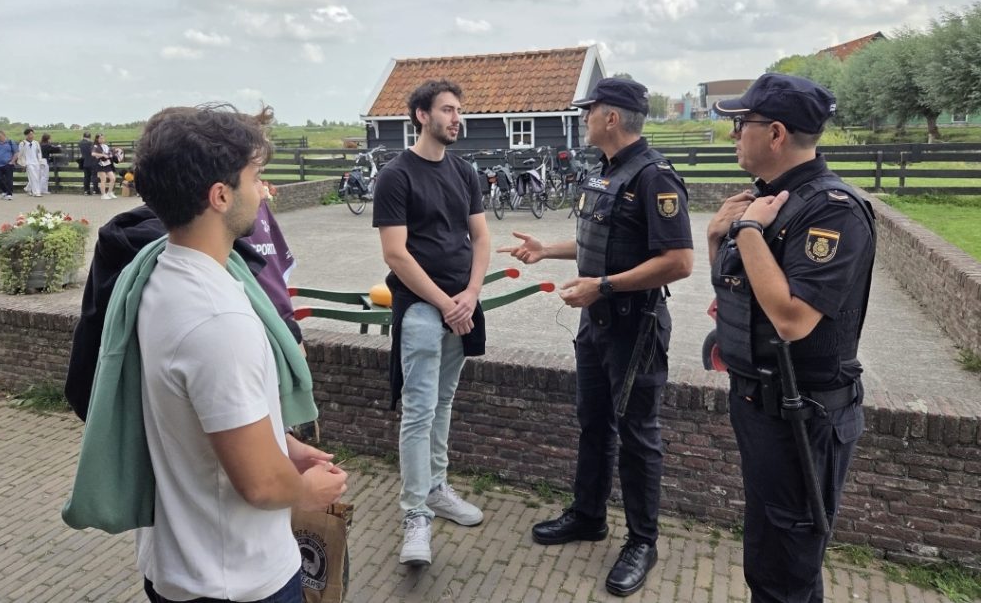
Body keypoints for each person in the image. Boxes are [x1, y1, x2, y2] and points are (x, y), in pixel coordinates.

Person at [129, 104, 347, 602]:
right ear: (220, 196)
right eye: (257, 176)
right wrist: (308, 490)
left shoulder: (161, 273)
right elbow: (262, 486)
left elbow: (198, 414)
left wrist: (282, 445)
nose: (264, 191)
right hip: (234, 579)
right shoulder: (218, 320)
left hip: (179, 560)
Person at [500, 77, 693, 598]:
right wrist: (547, 250)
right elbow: (599, 243)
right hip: (597, 326)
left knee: (638, 436)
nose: (583, 119)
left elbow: (679, 262)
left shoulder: (655, 178)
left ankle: (642, 542)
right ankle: (588, 516)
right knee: (592, 424)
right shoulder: (606, 174)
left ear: (612, 118)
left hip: (635, 328)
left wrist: (602, 287)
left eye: (589, 112)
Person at [707, 73, 875, 603]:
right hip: (759, 402)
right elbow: (737, 291)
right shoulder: (767, 198)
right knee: (768, 553)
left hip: (805, 416)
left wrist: (750, 232)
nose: (734, 135)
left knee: (789, 561)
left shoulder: (831, 210)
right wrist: (719, 237)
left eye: (740, 124)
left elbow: (792, 319)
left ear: (775, 133)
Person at [372, 79, 491, 568]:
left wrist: (471, 294)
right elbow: (395, 253)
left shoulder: (465, 172)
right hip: (422, 310)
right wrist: (445, 302)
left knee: (443, 404)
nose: (456, 117)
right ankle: (415, 515)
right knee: (419, 412)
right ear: (421, 115)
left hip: (461, 306)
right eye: (447, 109)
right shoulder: (396, 176)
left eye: (458, 110)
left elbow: (481, 240)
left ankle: (437, 489)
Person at [0, 130, 18, 200]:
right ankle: (5, 191)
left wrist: (12, 161)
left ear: (4, 135)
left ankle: (9, 194)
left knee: (9, 180)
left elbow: (16, 153)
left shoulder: (10, 142)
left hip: (8, 164)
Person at [20, 127, 45, 197]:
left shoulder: (36, 143)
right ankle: (36, 192)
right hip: (28, 163)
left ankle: (28, 188)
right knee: (34, 177)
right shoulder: (23, 143)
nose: (31, 136)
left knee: (38, 177)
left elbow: (39, 152)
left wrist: (40, 161)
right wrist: (23, 164)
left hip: (36, 162)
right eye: (30, 134)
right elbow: (21, 155)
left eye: (32, 134)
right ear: (26, 135)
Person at [92, 132, 117, 199]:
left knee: (113, 178)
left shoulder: (106, 146)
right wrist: (102, 155)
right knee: (103, 179)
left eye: (103, 138)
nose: (102, 139)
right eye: (100, 138)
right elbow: (93, 154)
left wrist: (111, 155)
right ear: (97, 139)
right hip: (100, 164)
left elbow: (109, 153)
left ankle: (109, 192)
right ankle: (103, 194)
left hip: (107, 164)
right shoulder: (96, 146)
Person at [79, 130, 99, 195]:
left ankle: (86, 190)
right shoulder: (91, 143)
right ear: (90, 137)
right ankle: (95, 190)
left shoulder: (80, 143)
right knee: (94, 176)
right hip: (92, 161)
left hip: (85, 161)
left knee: (86, 177)